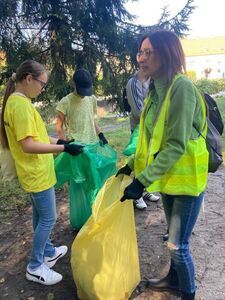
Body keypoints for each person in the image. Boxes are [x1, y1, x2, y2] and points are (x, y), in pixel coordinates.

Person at [117, 31, 209, 300]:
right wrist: (132, 165)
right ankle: (172, 280)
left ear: (166, 54)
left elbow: (176, 144)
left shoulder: (181, 88)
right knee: (172, 240)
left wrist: (142, 181)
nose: (141, 58)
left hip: (188, 180)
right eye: (140, 52)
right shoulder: (155, 89)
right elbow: (149, 140)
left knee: (178, 246)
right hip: (170, 179)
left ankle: (188, 294)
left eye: (149, 52)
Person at [0, 60, 84, 286]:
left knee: (40, 215)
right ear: (28, 78)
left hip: (37, 172)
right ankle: (35, 266)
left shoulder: (20, 102)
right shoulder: (19, 106)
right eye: (41, 84)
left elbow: (38, 137)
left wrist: (63, 142)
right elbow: (28, 145)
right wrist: (63, 148)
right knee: (48, 218)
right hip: (35, 173)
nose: (42, 89)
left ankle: (48, 251)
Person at [124, 69, 160, 210]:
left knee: (148, 159)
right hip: (139, 129)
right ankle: (136, 195)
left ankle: (145, 190)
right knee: (139, 159)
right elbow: (139, 112)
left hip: (153, 128)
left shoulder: (153, 80)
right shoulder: (133, 84)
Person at [56, 68, 108, 145]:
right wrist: (64, 143)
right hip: (75, 145)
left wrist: (100, 135)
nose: (84, 94)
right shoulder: (66, 101)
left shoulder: (92, 99)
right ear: (73, 83)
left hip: (92, 143)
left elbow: (91, 119)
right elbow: (58, 126)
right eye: (82, 90)